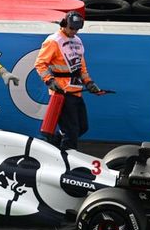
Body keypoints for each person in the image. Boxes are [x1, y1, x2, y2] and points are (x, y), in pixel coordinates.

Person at [35, 12, 103, 150]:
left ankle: (54, 144)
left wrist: (89, 82)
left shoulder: (77, 41)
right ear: (64, 24)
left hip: (76, 90)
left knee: (82, 127)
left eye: (77, 29)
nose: (74, 31)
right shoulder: (53, 41)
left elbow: (81, 66)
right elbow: (40, 64)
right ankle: (66, 161)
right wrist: (49, 80)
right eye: (72, 28)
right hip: (62, 92)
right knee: (71, 132)